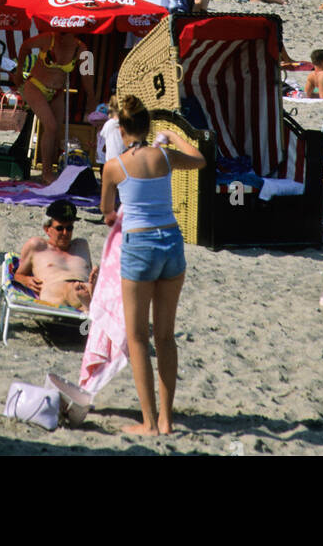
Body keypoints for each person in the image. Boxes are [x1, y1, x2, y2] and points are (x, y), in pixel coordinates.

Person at [100, 95, 205, 435]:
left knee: (137, 339)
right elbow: (199, 160)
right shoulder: (163, 156)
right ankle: (167, 420)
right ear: (148, 125)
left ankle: (148, 422)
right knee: (165, 337)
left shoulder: (114, 166)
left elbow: (106, 211)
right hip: (171, 243)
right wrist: (173, 137)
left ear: (121, 128)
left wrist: (114, 215)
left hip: (140, 246)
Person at [15, 31, 92, 185]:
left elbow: (87, 77)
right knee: (51, 126)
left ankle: (53, 169)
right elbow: (25, 46)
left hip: (57, 92)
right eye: (58, 29)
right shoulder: (47, 38)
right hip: (35, 86)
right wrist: (19, 70)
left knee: (56, 131)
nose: (60, 33)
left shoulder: (82, 49)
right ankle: (46, 173)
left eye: (63, 32)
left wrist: (92, 99)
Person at [16, 201, 98, 312]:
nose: (65, 233)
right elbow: (18, 274)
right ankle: (85, 304)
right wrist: (26, 280)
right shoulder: (37, 246)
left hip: (83, 287)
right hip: (54, 290)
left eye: (69, 228)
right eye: (60, 228)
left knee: (88, 287)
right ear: (47, 229)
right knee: (74, 289)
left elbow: (89, 276)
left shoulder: (81, 245)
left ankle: (85, 304)